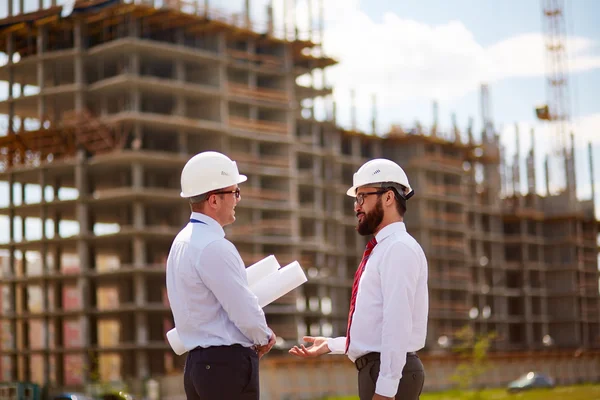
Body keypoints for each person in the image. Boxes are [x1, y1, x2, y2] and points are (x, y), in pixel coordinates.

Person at [289, 158, 429, 400]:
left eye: (363, 197)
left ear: (388, 197)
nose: (357, 206)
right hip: (380, 370)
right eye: (356, 199)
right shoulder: (383, 249)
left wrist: (385, 390)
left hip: (388, 375)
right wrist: (333, 344)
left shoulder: (398, 249)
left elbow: (397, 324)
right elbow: (376, 327)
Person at [166, 151, 276, 400]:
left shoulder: (181, 243)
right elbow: (243, 308)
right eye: (235, 192)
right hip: (225, 367)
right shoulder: (214, 246)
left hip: (198, 366)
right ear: (214, 200)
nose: (238, 199)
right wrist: (264, 335)